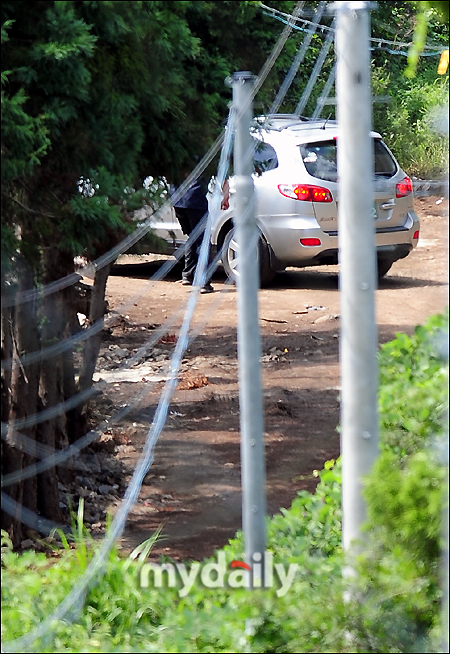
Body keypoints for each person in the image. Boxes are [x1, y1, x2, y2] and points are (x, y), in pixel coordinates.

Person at [172, 174, 214, 294]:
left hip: (178, 201)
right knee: (203, 239)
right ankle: (204, 282)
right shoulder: (202, 156)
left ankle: (188, 275)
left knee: (193, 236)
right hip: (195, 199)